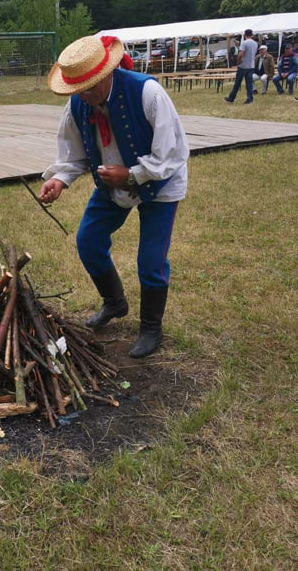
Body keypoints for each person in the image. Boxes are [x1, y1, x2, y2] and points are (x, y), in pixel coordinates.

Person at [39, 35, 189, 359]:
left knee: (150, 260)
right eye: (78, 89)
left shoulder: (147, 92)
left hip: (161, 182)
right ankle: (115, 302)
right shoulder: (79, 103)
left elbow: (172, 154)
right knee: (88, 241)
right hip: (112, 184)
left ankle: (151, 327)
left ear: (107, 73)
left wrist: (132, 174)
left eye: (90, 86)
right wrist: (60, 180)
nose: (85, 95)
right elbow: (74, 156)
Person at [224, 29, 258, 105]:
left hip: (243, 66)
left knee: (237, 83)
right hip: (251, 66)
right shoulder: (255, 43)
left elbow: (241, 54)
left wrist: (238, 61)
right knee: (249, 84)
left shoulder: (244, 43)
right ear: (251, 35)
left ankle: (231, 98)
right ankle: (250, 100)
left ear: (244, 35)